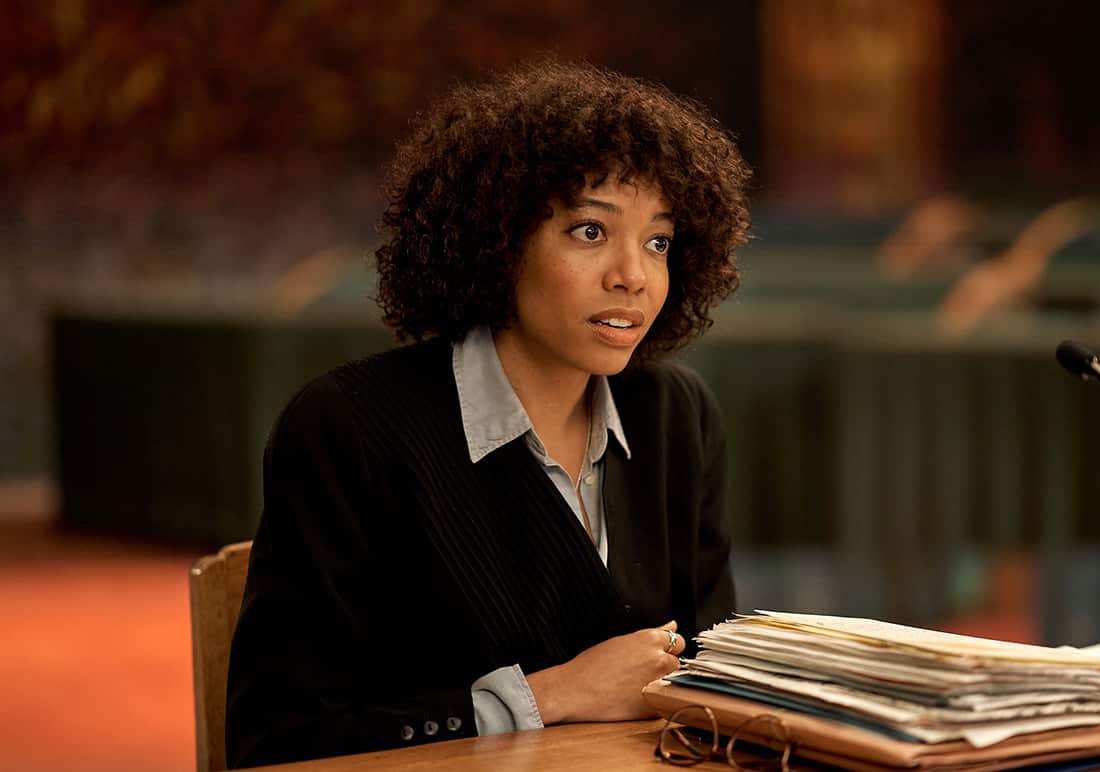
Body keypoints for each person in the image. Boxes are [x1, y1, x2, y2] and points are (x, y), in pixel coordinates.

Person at [225, 61, 752, 767]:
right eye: (591, 232)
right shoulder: (346, 428)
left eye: (658, 241)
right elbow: (277, 739)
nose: (634, 275)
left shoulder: (677, 416)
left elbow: (707, 673)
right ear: (498, 241)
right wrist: (549, 696)